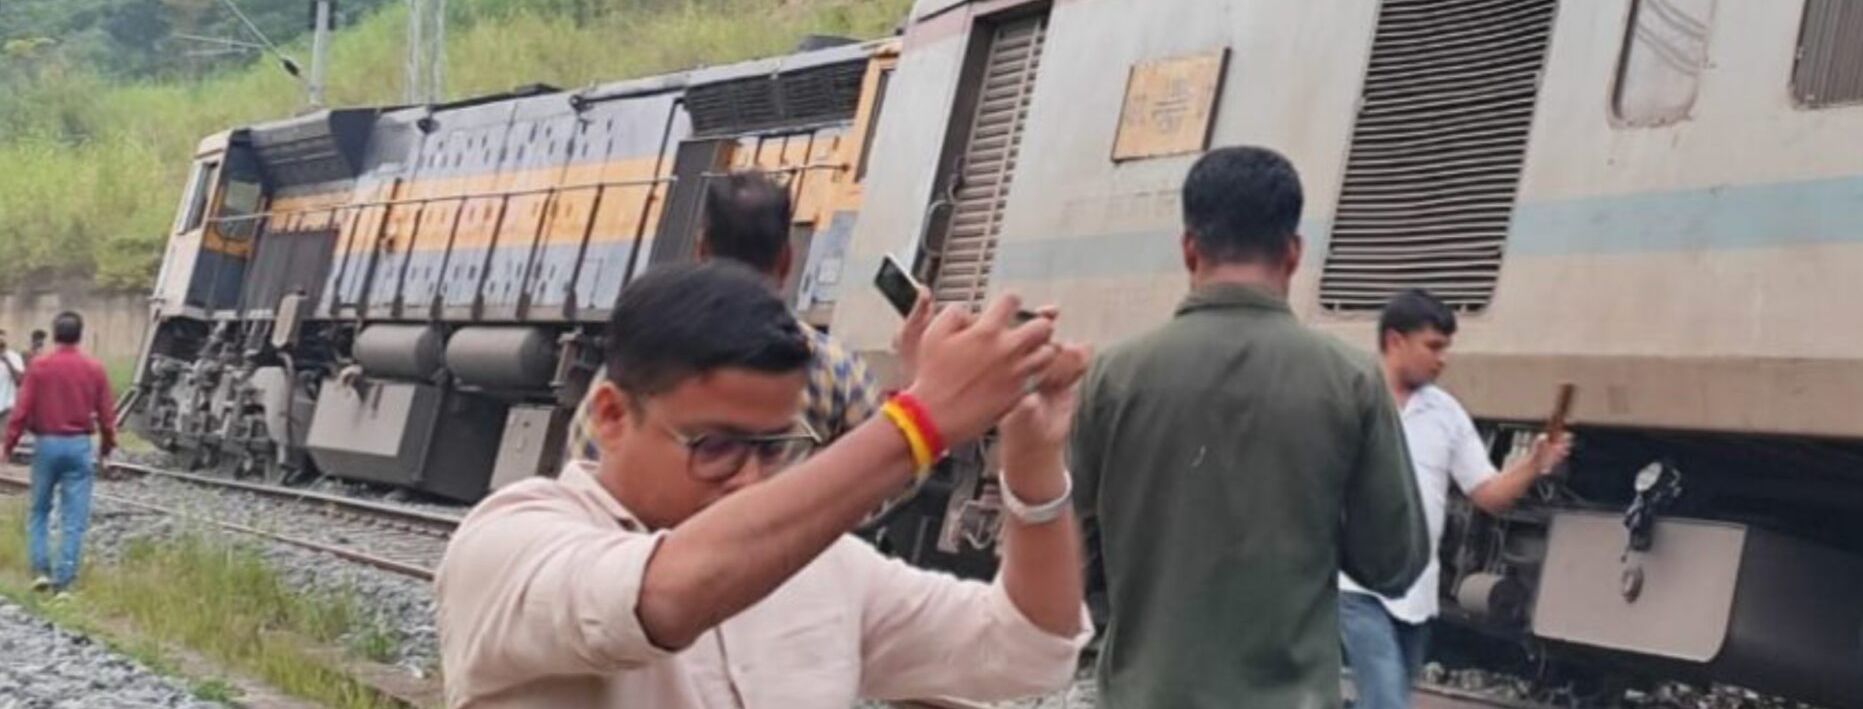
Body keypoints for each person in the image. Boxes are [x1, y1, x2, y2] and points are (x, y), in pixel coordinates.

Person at [437, 259, 1089, 707]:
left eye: (774, 446)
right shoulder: (512, 540)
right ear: (610, 415)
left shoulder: (826, 567)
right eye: (716, 447)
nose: (749, 477)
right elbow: (661, 598)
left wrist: (1031, 460)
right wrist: (921, 422)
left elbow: (1029, 649)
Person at [1069, 145, 1430, 708]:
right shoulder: (1353, 380)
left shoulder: (1111, 378)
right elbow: (1394, 564)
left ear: (1189, 248)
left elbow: (1068, 553)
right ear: (1293, 253)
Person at [560, 172, 918, 472]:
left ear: (701, 250)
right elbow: (887, 474)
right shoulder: (836, 370)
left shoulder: (636, 367)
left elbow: (586, 465)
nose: (744, 480)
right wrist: (917, 381)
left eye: (768, 448)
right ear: (786, 260)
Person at [1340, 289, 1572, 708]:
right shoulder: (1349, 400)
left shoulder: (1446, 414)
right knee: (1386, 700)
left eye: (1445, 347)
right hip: (1353, 586)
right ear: (1395, 341)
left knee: (1385, 698)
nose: (1443, 359)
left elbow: (1488, 494)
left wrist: (1535, 463)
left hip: (1416, 592)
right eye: (1433, 347)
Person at [1, 311, 116, 592]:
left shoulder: (40, 367)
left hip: (47, 444)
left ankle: (40, 569)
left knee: (39, 509)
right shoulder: (94, 368)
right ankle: (64, 582)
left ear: (54, 334)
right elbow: (107, 417)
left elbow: (20, 411)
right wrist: (106, 448)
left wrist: (7, 446)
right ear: (80, 334)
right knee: (73, 517)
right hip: (78, 445)